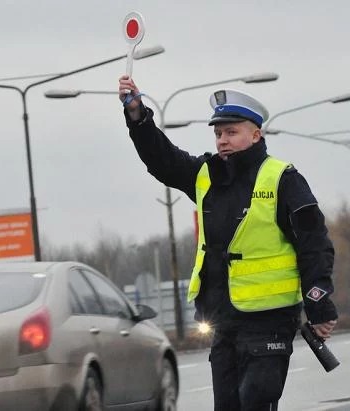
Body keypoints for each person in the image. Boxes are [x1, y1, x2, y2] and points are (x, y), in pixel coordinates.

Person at [118, 75, 338, 411]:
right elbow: (162, 160)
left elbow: (314, 244)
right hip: (222, 322)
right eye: (219, 133)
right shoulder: (207, 175)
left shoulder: (283, 179)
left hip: (270, 322)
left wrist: (319, 304)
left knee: (255, 401)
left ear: (256, 134)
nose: (223, 140)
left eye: (232, 132)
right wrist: (137, 115)